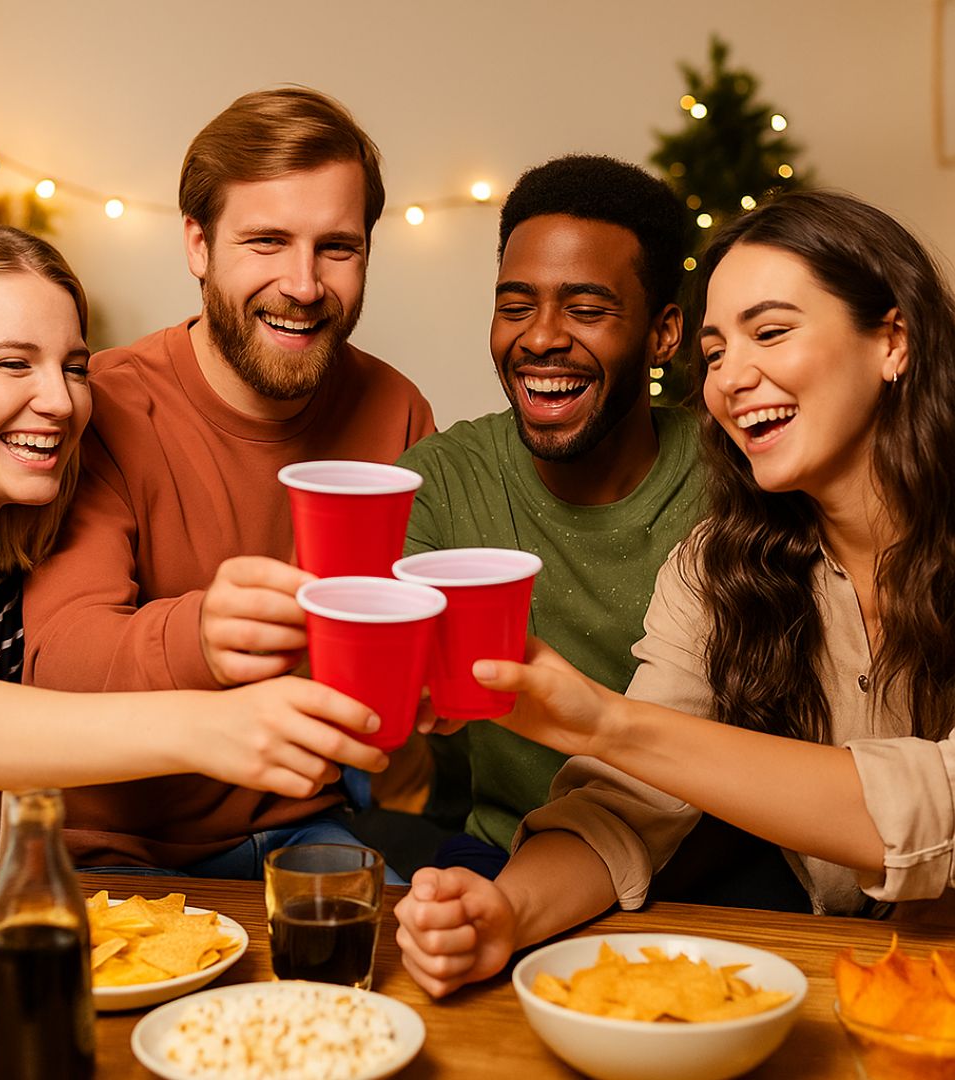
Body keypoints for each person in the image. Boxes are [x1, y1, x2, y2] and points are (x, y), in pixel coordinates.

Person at [395, 188, 955, 997]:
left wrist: (608, 721)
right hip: (857, 978)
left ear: (892, 340)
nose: (733, 377)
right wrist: (503, 913)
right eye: (717, 351)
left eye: (770, 332)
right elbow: (625, 806)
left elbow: (939, 803)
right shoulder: (720, 563)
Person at [0, 225, 387, 870]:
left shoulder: (8, 557)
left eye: (74, 367)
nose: (60, 401)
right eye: (12, 363)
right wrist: (210, 728)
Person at [21, 87, 434, 877]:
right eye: (267, 242)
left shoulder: (397, 411)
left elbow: (412, 654)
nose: (305, 285)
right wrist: (201, 634)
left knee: (414, 977)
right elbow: (54, 662)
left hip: (309, 829)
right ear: (199, 246)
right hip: (118, 844)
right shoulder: (101, 406)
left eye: (337, 247)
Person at [368, 155, 705, 880]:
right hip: (506, 852)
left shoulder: (732, 479)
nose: (542, 337)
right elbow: (378, 700)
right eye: (516, 306)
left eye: (587, 310)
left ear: (664, 333)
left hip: (712, 869)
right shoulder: (440, 481)